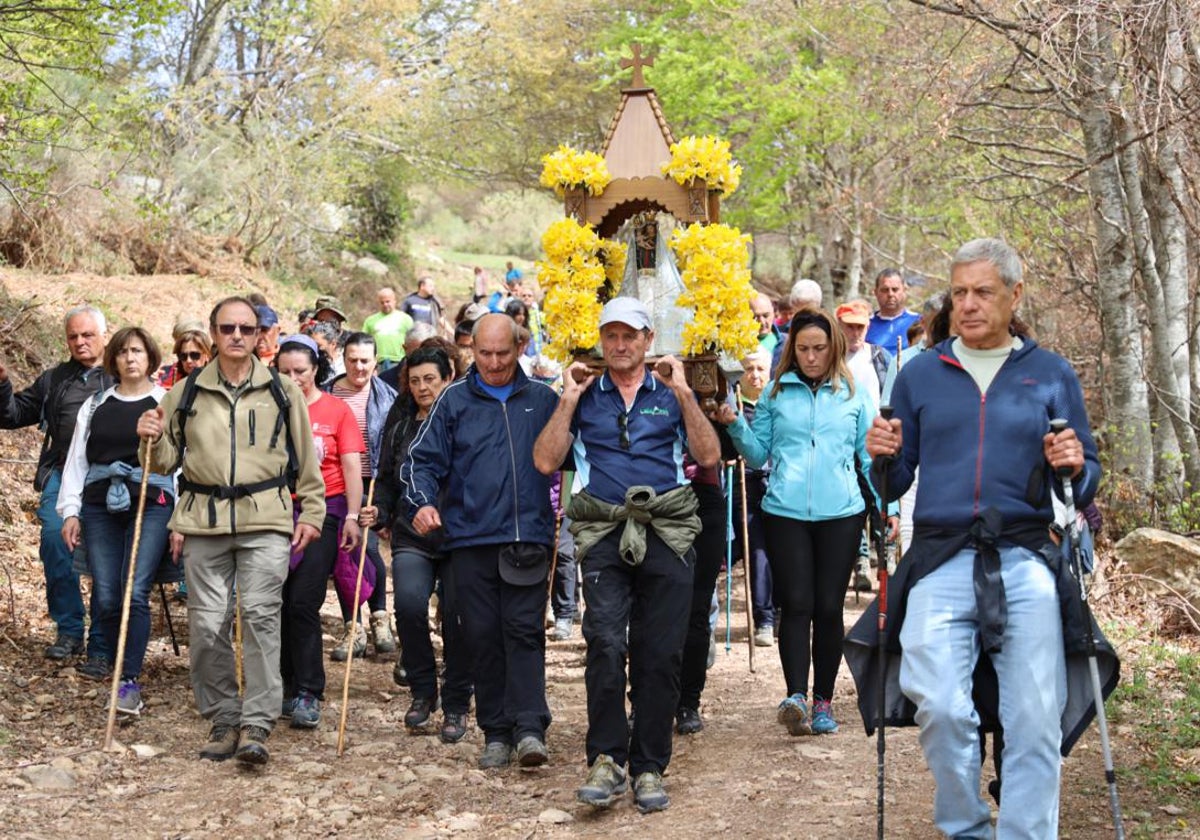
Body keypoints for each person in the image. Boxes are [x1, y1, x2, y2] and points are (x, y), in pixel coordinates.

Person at [865, 238, 1100, 838]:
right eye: (959, 292)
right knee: (939, 705)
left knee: (1034, 718)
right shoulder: (921, 374)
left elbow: (1085, 477)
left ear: (1014, 294)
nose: (967, 305)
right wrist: (880, 459)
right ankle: (966, 827)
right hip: (940, 556)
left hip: (1025, 556)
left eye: (983, 292)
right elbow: (892, 482)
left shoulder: (1050, 374)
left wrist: (1073, 464)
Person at [533, 297, 720, 814]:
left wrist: (684, 392)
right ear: (601, 341)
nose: (619, 345)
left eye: (629, 336)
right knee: (607, 643)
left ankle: (650, 767)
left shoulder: (669, 393)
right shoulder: (584, 395)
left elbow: (707, 456)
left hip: (666, 531)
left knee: (661, 652)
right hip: (604, 533)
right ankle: (607, 759)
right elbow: (546, 459)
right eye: (610, 336)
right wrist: (567, 400)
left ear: (647, 340)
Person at [136, 296, 324, 765]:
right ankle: (224, 717)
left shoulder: (283, 390)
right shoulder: (186, 392)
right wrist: (149, 438)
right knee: (206, 624)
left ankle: (257, 724)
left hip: (267, 520)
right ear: (214, 333)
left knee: (261, 617)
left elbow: (305, 459)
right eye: (227, 328)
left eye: (245, 328)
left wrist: (314, 513)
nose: (236, 336)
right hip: (204, 521)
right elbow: (162, 463)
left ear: (260, 334)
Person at [715, 308, 893, 738]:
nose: (811, 357)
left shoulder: (853, 394)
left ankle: (824, 702)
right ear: (791, 350)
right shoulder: (777, 392)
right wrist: (736, 423)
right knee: (796, 604)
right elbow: (758, 455)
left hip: (842, 513)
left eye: (819, 348)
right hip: (785, 512)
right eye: (803, 349)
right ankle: (795, 695)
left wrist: (888, 508)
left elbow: (869, 458)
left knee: (828, 608)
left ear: (833, 348)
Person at [403, 313, 558, 770]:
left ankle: (530, 728)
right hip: (469, 539)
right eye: (484, 353)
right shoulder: (453, 401)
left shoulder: (544, 400)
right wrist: (423, 503)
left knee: (525, 633)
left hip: (527, 535)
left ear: (520, 349)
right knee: (483, 637)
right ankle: (495, 731)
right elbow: (420, 462)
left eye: (502, 354)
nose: (492, 363)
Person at [58, 326, 174, 715]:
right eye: (123, 351)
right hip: (98, 504)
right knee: (107, 595)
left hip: (152, 502)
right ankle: (114, 657)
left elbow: (180, 465)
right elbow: (77, 462)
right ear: (114, 359)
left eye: (138, 350)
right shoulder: (96, 405)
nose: (130, 358)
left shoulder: (164, 403)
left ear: (150, 357)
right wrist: (70, 511)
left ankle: (128, 681)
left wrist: (181, 518)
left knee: (134, 590)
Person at [365, 346, 471, 743]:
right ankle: (424, 691)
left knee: (460, 615)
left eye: (431, 379)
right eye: (415, 380)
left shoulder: (466, 416)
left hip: (461, 536)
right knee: (409, 606)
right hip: (413, 533)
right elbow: (389, 476)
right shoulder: (402, 419)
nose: (423, 387)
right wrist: (379, 509)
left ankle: (458, 701)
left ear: (448, 378)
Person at [0, 305, 111, 663]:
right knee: (53, 539)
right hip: (62, 473)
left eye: (87, 335)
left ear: (104, 336)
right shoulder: (55, 379)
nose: (80, 342)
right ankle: (69, 629)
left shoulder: (120, 373)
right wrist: (2, 385)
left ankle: (102, 637)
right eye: (73, 336)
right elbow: (12, 414)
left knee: (103, 553)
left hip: (109, 476)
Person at [275, 335, 363, 730]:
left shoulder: (336, 410)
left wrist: (353, 516)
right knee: (273, 601)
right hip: (274, 511)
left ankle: (309, 689)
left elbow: (350, 467)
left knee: (303, 601)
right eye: (285, 372)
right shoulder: (268, 408)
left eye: (301, 372)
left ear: (316, 372)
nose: (294, 379)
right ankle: (281, 683)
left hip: (325, 510)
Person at [326, 333, 398, 660]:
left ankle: (380, 617)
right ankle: (352, 624)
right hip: (334, 481)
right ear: (343, 359)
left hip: (372, 482)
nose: (359, 366)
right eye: (352, 359)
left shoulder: (388, 397)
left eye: (365, 360)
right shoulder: (326, 391)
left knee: (366, 547)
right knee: (344, 552)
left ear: (376, 362)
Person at [734, 349, 776, 646]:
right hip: (743, 486)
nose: (755, 375)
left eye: (761, 368)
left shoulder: (778, 402)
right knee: (757, 550)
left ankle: (779, 613)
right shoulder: (732, 404)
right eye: (749, 368)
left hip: (779, 486)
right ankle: (764, 618)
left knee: (779, 551)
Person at [866, 268, 920, 355]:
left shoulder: (919, 322)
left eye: (895, 289)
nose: (890, 294)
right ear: (876, 292)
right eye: (885, 290)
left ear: (904, 290)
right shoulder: (865, 325)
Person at [362, 287, 414, 370]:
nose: (385, 304)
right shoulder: (370, 321)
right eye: (382, 302)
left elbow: (413, 340)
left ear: (394, 301)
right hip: (378, 363)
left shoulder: (406, 319)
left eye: (387, 301)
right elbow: (364, 342)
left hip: (400, 361)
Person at [158, 321, 212, 388]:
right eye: (183, 356)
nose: (188, 360)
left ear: (206, 354)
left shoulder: (216, 378)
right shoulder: (165, 374)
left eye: (194, 355)